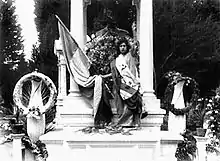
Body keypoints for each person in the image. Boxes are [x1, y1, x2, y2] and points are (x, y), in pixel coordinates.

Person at [103, 38, 143, 127]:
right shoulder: (117, 60)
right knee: (120, 103)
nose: (122, 48)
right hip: (120, 84)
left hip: (130, 83)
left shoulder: (131, 57)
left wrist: (133, 81)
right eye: (121, 46)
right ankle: (123, 121)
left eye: (124, 46)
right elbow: (114, 73)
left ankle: (131, 122)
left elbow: (132, 71)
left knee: (133, 101)